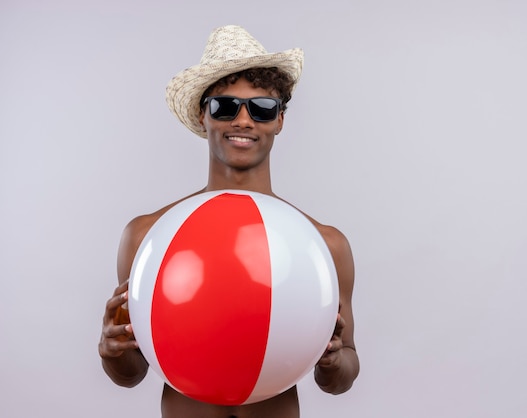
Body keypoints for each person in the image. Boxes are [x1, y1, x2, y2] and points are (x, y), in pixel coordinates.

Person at [98, 25, 360, 418]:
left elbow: (341, 377)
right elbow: (131, 373)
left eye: (262, 108)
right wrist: (111, 349)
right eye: (225, 106)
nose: (243, 120)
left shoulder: (324, 245)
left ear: (279, 121)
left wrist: (332, 359)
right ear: (203, 115)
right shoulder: (147, 237)